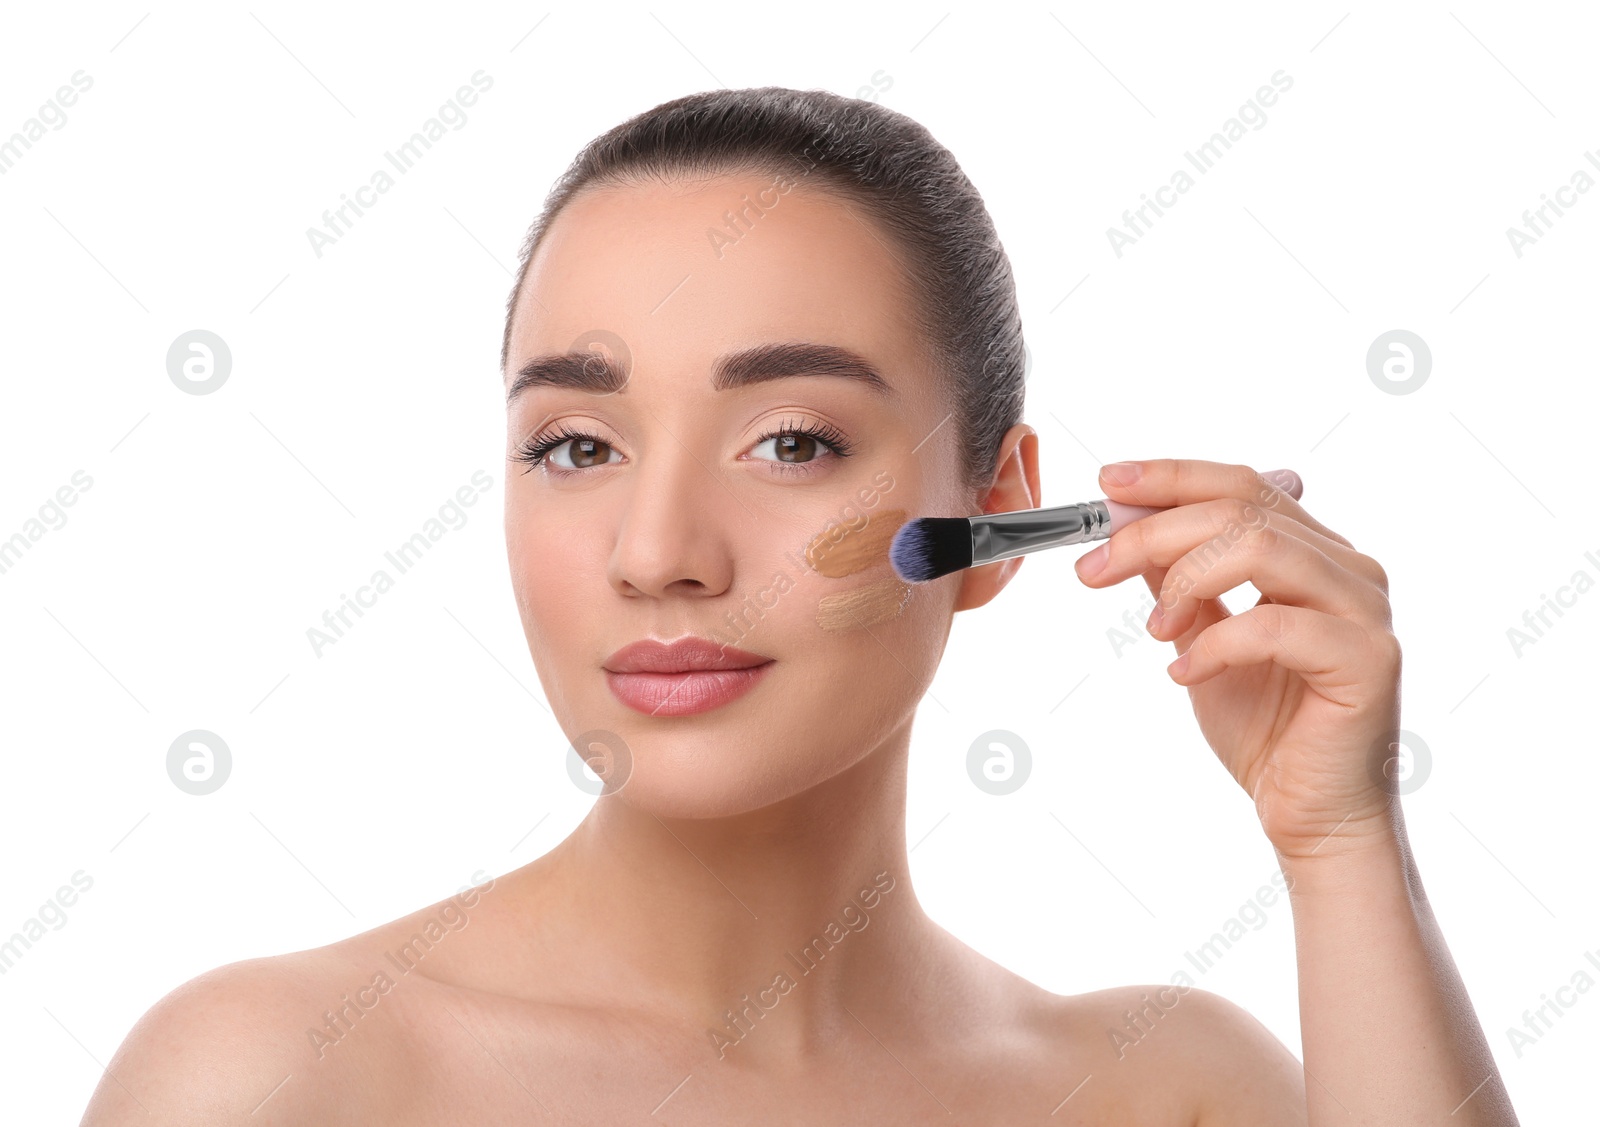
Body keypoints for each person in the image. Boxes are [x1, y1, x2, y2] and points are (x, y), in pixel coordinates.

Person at [82, 86, 1518, 1125]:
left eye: (791, 441)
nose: (658, 552)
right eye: (578, 446)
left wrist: (1341, 844)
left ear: (995, 511)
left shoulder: (1167, 1091)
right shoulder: (276, 1077)